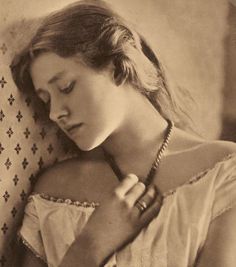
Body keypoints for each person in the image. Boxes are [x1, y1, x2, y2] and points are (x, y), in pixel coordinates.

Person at [10, 0, 236, 266]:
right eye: (46, 100)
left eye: (66, 87)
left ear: (118, 68)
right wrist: (89, 247)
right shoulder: (52, 193)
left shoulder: (224, 171)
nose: (54, 113)